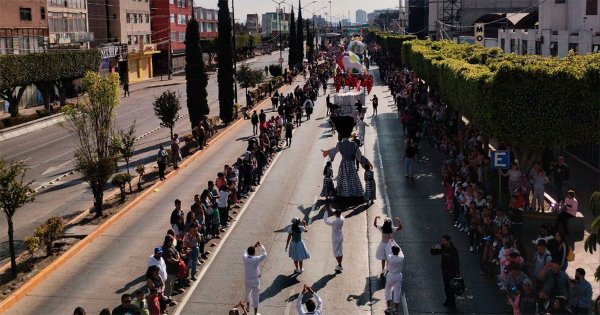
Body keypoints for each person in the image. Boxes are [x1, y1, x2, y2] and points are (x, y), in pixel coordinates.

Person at [431, 234, 460, 308]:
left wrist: (457, 273)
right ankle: (448, 300)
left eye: (444, 241)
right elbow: (434, 253)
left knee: (451, 287)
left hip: (451, 272)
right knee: (446, 287)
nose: (443, 242)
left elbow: (456, 262)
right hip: (445, 271)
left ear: (448, 241)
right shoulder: (443, 247)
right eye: (442, 241)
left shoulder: (453, 250)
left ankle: (452, 302)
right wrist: (433, 248)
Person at [243, 241, 268, 315]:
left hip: (247, 279)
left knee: (247, 294)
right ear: (254, 253)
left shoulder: (245, 258)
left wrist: (254, 246)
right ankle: (255, 313)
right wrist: (261, 246)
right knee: (255, 297)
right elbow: (264, 254)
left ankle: (247, 307)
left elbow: (246, 252)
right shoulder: (256, 259)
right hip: (255, 281)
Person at [385, 245, 405, 314]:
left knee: (388, 290)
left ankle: (389, 308)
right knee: (397, 291)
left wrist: (391, 242)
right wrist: (395, 243)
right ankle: (396, 309)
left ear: (393, 252)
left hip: (390, 275)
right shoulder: (401, 257)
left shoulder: (390, 257)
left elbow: (387, 250)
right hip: (398, 276)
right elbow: (401, 251)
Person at [323, 208, 344, 272]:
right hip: (341, 236)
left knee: (335, 252)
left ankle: (339, 265)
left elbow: (326, 221)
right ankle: (339, 265)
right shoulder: (342, 218)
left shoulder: (334, 222)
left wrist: (326, 212)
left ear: (336, 214)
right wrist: (332, 209)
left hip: (335, 238)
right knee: (340, 251)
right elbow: (337, 213)